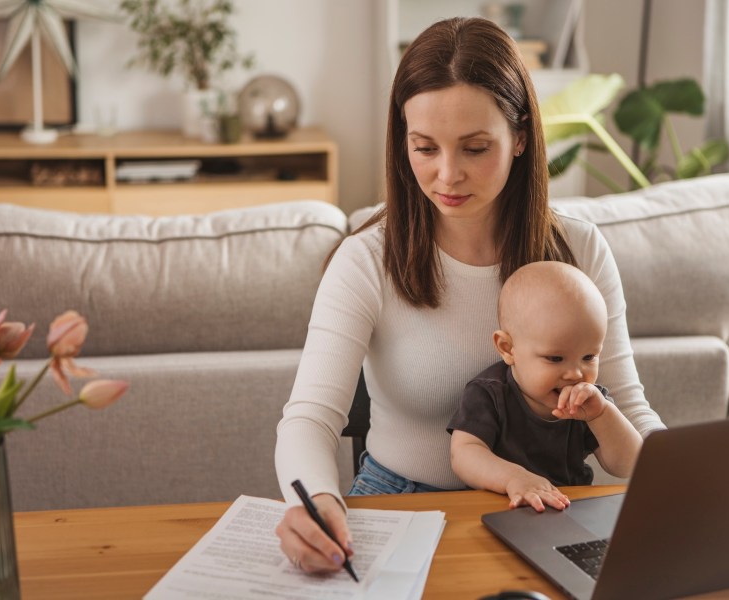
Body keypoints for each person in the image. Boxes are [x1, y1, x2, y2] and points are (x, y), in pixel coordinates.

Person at [274, 16, 664, 575]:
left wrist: (688, 488)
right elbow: (309, 417)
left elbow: (629, 407)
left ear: (521, 138)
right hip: (401, 500)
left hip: (545, 510)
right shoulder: (365, 260)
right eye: (424, 147)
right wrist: (315, 502)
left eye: (475, 148)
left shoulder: (578, 248)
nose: (447, 175)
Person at [448, 261, 643, 513]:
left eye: (589, 357)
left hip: (569, 511)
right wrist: (513, 478)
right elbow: (463, 454)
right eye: (555, 358)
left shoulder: (590, 403)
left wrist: (601, 415)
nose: (576, 373)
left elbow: (628, 465)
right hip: (500, 507)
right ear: (508, 348)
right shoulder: (489, 393)